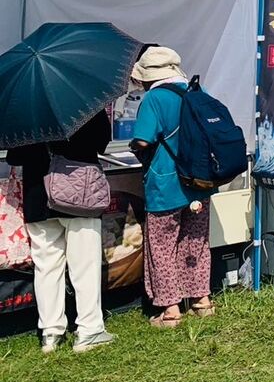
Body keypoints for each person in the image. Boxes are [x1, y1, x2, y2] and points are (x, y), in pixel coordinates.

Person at [6, 111, 114, 353]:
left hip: (37, 195)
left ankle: (50, 333)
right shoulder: (84, 103)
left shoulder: (25, 108)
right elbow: (102, 141)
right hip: (80, 193)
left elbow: (14, 156)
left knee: (46, 266)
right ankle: (89, 329)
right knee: (84, 266)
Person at [129, 47, 214, 328]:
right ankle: (201, 300)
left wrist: (134, 145)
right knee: (196, 242)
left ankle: (170, 310)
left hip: (165, 183)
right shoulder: (196, 91)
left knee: (162, 246)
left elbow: (143, 139)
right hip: (199, 182)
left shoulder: (154, 98)